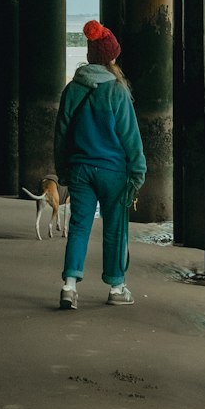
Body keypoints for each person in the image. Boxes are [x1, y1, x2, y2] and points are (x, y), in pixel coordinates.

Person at [53, 19, 146, 309]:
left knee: (79, 226)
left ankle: (69, 287)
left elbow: (61, 136)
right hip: (113, 172)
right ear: (112, 58)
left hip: (80, 170)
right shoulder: (118, 92)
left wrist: (63, 171)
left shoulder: (72, 90)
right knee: (115, 229)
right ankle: (117, 288)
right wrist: (138, 170)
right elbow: (131, 137)